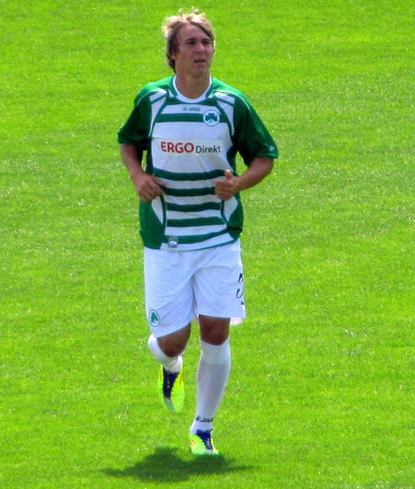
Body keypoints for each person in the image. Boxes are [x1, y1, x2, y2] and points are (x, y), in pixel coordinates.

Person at [117, 8, 278, 456]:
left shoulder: (231, 103)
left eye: (206, 42)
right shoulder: (152, 99)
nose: (201, 49)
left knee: (216, 330)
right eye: (191, 43)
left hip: (218, 236)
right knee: (174, 340)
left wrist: (238, 184)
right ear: (173, 54)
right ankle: (170, 364)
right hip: (166, 238)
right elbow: (129, 143)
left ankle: (202, 429)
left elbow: (264, 156)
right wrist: (137, 176)